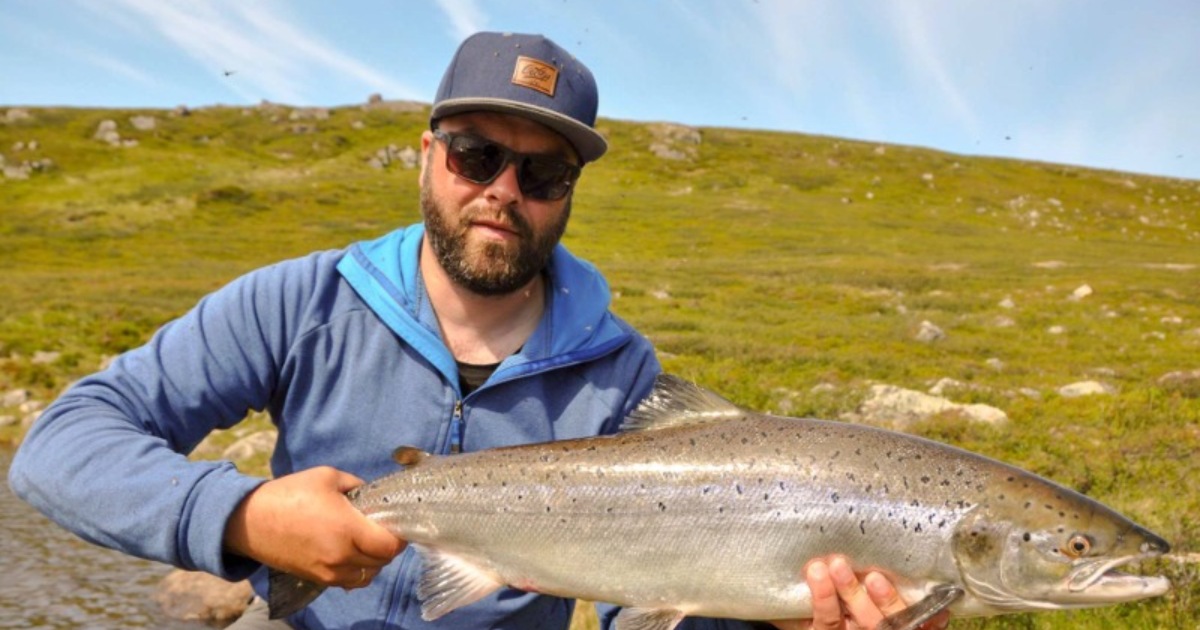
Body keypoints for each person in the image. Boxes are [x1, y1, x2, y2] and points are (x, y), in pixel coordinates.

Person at [9, 31, 946, 630]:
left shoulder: (624, 374)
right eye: (476, 154)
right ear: (427, 155)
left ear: (568, 194)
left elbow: (645, 608)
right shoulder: (297, 303)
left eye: (542, 174)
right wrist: (243, 517)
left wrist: (777, 614)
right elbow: (61, 445)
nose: (503, 191)